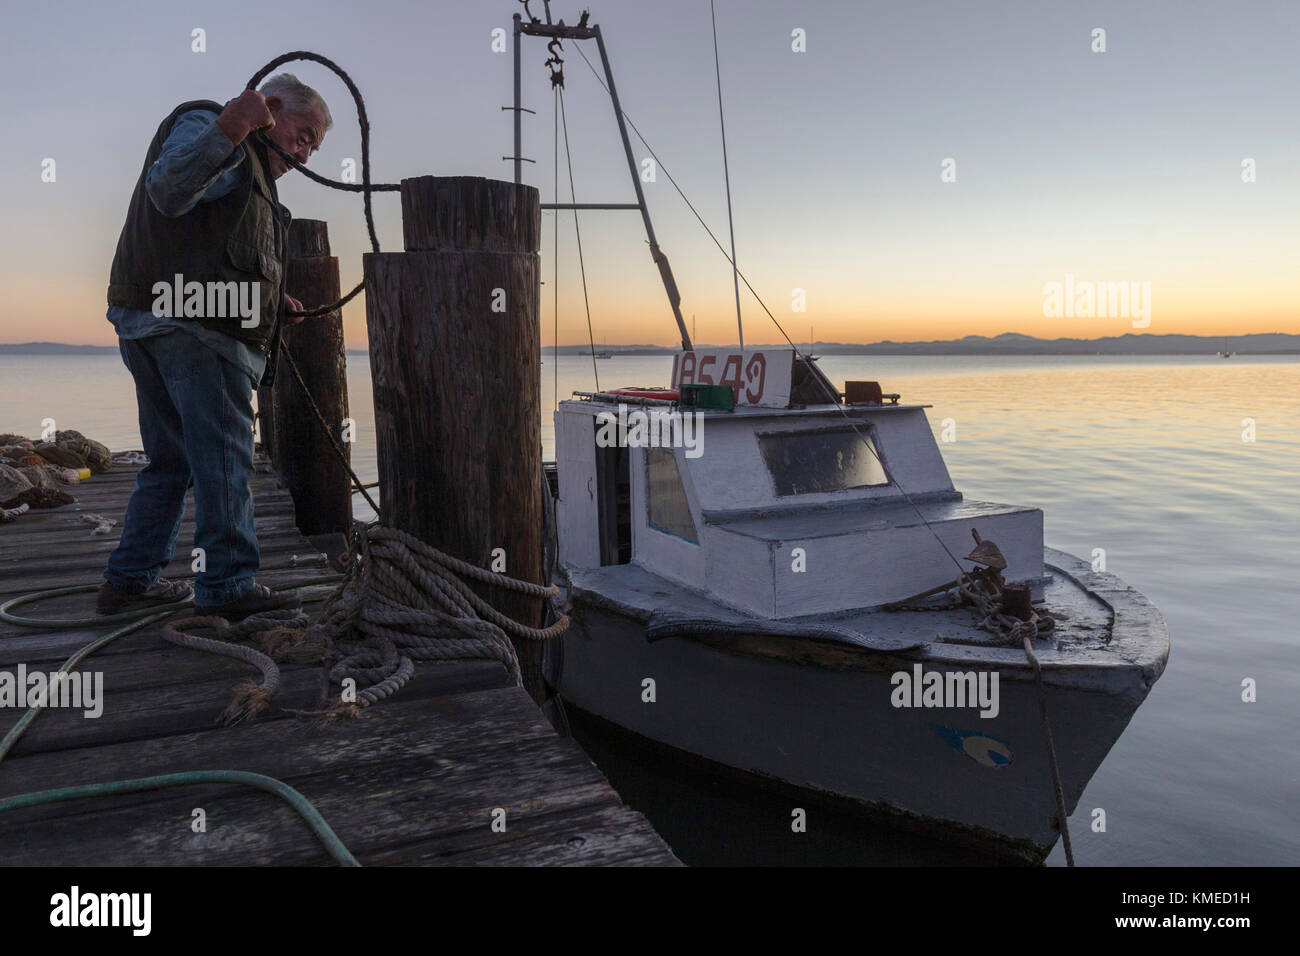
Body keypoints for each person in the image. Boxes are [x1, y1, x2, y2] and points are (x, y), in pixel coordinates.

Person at [98, 74, 332, 618]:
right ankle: (227, 588)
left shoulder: (241, 165)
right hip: (197, 334)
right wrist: (234, 121)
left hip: (154, 323)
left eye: (313, 147)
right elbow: (170, 188)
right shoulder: (214, 125)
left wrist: (273, 306)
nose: (303, 153)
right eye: (302, 135)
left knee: (170, 461)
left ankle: (130, 580)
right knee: (224, 461)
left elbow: (211, 248)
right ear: (269, 107)